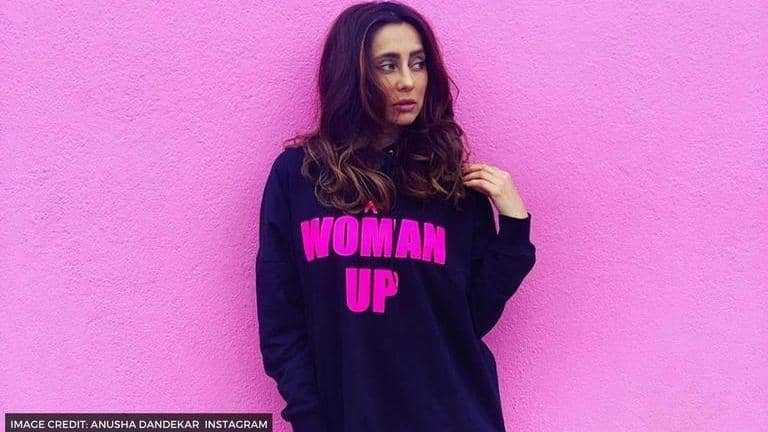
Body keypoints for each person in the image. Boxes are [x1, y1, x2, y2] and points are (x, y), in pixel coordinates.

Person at [255, 2, 536, 431]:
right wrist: (311, 418)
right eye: (388, 65)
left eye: (418, 64)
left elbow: (467, 320)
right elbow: (281, 321)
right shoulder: (298, 177)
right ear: (352, 74)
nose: (408, 81)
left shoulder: (450, 183)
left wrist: (514, 230)